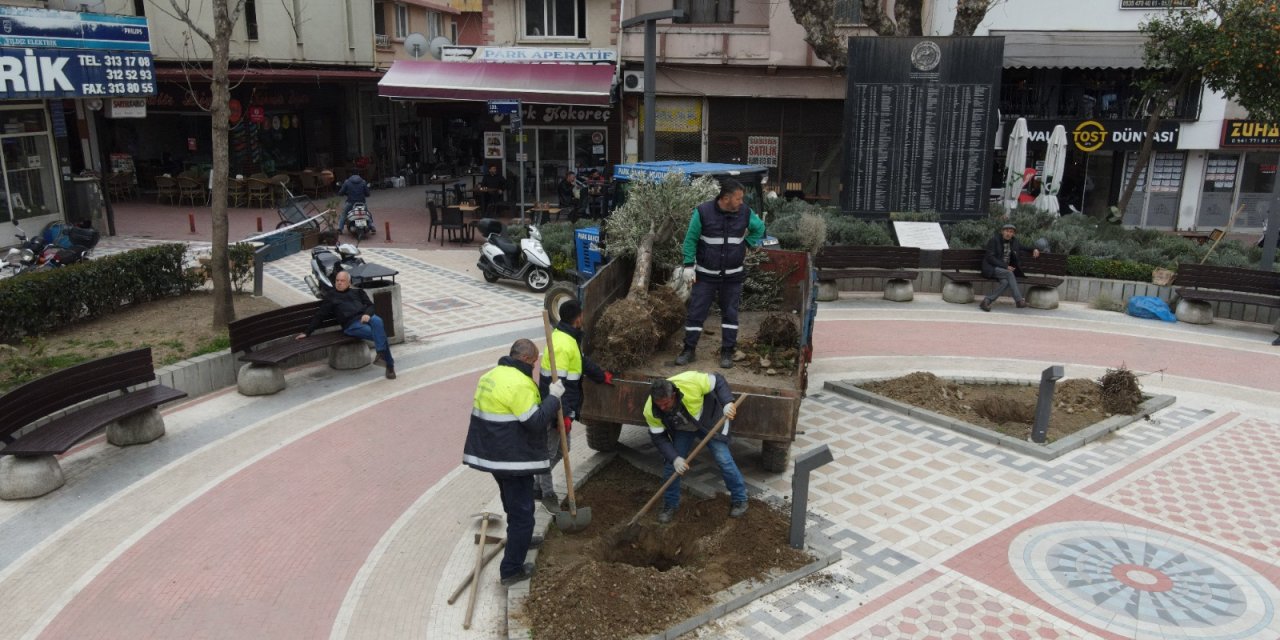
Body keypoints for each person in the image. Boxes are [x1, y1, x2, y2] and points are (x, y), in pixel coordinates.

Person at [462, 339, 565, 586]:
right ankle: (511, 570)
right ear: (528, 359)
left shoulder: (490, 375)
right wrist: (554, 398)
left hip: (491, 453)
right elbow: (535, 421)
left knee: (513, 503)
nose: (536, 365)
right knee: (523, 514)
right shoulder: (520, 383)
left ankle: (521, 538)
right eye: (536, 360)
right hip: (512, 459)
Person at [675, 178, 767, 369]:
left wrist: (747, 244)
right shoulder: (703, 212)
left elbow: (760, 228)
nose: (741, 202)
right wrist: (688, 265)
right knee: (696, 314)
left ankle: (727, 352)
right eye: (738, 199)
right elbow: (690, 239)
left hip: (732, 277)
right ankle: (688, 350)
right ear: (726, 198)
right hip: (705, 276)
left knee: (730, 315)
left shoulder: (745, 212)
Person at [535, 300, 614, 512]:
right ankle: (547, 493)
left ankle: (535, 484)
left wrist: (600, 375)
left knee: (565, 449)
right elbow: (557, 386)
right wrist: (564, 414)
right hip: (554, 408)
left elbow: (581, 361)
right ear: (578, 317)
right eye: (582, 315)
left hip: (562, 406)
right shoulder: (560, 344)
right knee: (549, 453)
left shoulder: (569, 337)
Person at [643, 371, 747, 524]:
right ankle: (670, 505)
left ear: (673, 395)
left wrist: (727, 402)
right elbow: (659, 438)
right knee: (671, 466)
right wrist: (675, 458)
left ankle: (740, 499)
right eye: (660, 405)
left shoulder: (691, 383)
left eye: (666, 403)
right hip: (684, 428)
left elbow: (718, 379)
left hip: (709, 421)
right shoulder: (651, 410)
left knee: (723, 459)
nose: (663, 408)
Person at [296, 271, 397, 379]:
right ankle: (389, 365)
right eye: (337, 280)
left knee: (378, 321)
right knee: (380, 335)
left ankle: (381, 355)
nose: (339, 283)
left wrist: (367, 314)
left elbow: (371, 306)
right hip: (352, 325)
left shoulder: (358, 292)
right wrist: (307, 332)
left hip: (365, 317)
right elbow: (320, 315)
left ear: (349, 282)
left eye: (342, 281)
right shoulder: (331, 297)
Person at [979, 222, 1040, 312]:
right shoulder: (994, 240)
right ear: (1002, 232)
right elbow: (990, 258)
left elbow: (1024, 247)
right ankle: (1019, 300)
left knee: (1005, 282)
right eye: (1007, 231)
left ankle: (986, 301)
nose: (1009, 234)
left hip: (1003, 270)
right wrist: (1005, 266)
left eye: (1011, 232)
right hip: (991, 268)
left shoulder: (1014, 242)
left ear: (1013, 234)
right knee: (1009, 273)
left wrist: (1034, 249)